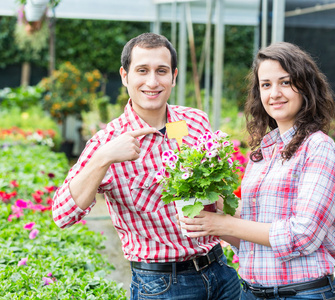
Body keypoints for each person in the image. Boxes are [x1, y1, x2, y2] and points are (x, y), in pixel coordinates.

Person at [52, 32, 240, 300]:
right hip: (163, 286)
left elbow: (219, 192)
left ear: (173, 76)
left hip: (221, 272)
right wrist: (104, 158)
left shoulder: (195, 121)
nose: (152, 82)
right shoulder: (107, 142)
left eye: (161, 71)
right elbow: (62, 215)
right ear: (124, 75)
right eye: (142, 70)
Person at [180, 42, 335, 300]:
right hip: (252, 292)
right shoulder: (264, 151)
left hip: (303, 293)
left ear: (306, 86)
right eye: (266, 85)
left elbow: (303, 235)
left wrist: (225, 222)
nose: (275, 93)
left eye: (285, 82)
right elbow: (252, 239)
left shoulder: (318, 148)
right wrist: (211, 215)